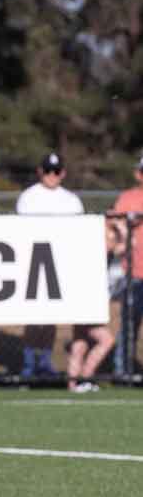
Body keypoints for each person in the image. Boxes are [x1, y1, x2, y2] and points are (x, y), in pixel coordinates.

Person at [16, 153, 84, 378]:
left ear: (63, 173)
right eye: (47, 171)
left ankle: (44, 361)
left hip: (60, 264)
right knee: (33, 317)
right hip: (34, 262)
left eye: (56, 171)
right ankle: (28, 363)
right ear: (40, 172)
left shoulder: (71, 201)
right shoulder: (28, 198)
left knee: (51, 317)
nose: (51, 176)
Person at [110, 155, 143, 374]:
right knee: (129, 325)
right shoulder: (127, 198)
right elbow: (115, 222)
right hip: (134, 274)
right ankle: (123, 371)